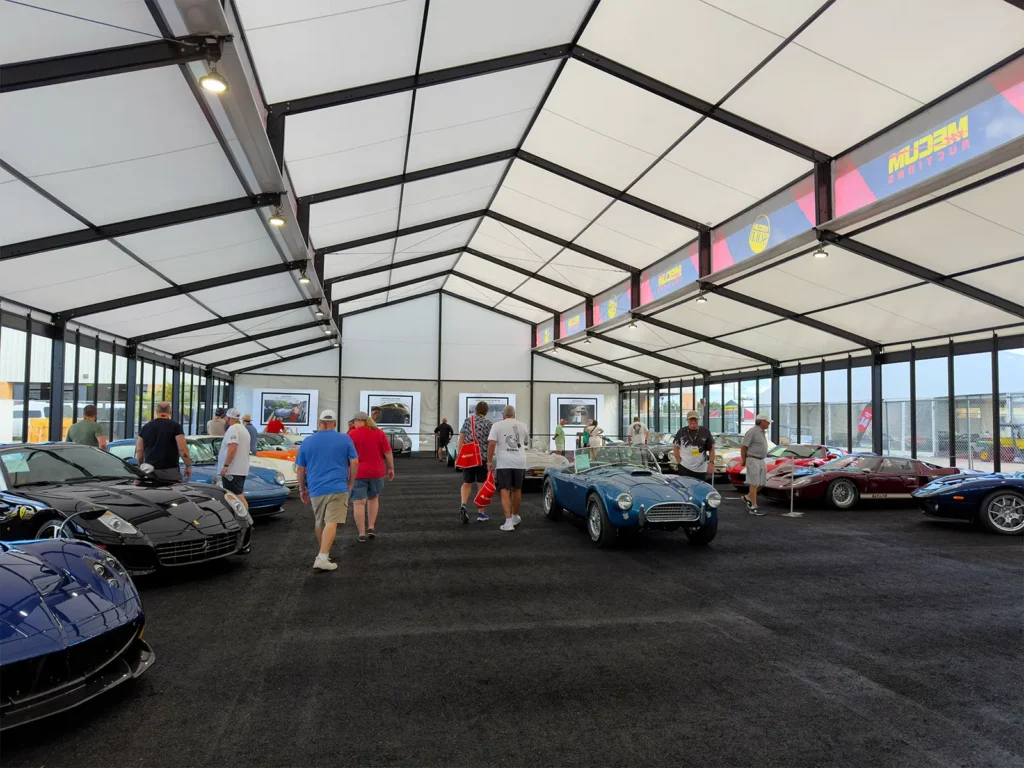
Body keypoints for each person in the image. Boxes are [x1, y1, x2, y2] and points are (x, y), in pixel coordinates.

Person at [295, 410, 358, 571]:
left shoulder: (308, 441)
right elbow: (354, 462)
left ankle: (324, 553)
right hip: (338, 486)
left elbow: (300, 468)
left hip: (315, 487)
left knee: (319, 522)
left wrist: (302, 489)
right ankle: (322, 557)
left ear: (319, 423)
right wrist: (350, 483)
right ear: (335, 423)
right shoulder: (344, 438)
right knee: (331, 521)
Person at [349, 411, 395, 542]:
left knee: (358, 502)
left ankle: (361, 533)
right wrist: (391, 468)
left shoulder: (351, 435)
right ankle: (371, 527)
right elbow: (388, 452)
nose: (354, 424)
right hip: (377, 472)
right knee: (373, 499)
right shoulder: (379, 433)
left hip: (358, 473)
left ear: (359, 421)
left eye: (354, 421)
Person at [488, 405, 529, 532]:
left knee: (504, 490)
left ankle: (508, 522)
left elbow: (492, 443)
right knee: (517, 489)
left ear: (503, 415)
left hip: (504, 462)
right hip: (520, 461)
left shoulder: (497, 425)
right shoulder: (523, 425)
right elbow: (526, 442)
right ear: (514, 414)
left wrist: (489, 461)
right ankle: (515, 516)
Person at [136, 401, 190, 483]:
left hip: (149, 471)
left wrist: (140, 465)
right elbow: (182, 449)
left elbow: (139, 450)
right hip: (170, 472)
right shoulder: (175, 426)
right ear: (170, 412)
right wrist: (188, 466)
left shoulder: (146, 427)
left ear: (156, 412)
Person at [456, 401, 492, 524]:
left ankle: (463, 505)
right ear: (486, 411)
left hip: (469, 457)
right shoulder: (489, 424)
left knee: (466, 483)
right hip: (482, 458)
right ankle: (481, 513)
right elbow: (491, 443)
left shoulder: (468, 421)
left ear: (476, 410)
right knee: (481, 485)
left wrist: (460, 455)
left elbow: (461, 439)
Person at [216, 408, 251, 507]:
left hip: (232, 470)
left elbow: (233, 447)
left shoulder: (233, 429)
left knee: (236, 496)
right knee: (236, 496)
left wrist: (226, 465)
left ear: (227, 418)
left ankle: (245, 516)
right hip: (240, 469)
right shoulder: (243, 429)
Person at [741, 413, 772, 516]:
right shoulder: (752, 431)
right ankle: (753, 506)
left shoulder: (762, 432)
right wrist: (744, 459)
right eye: (767, 422)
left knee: (762, 483)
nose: (769, 424)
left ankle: (748, 497)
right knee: (754, 483)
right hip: (753, 459)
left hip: (761, 460)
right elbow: (744, 447)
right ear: (762, 421)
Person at [672, 410, 715, 481]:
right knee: (685, 486)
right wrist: (678, 460)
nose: (693, 421)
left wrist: (711, 464)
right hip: (685, 467)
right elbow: (676, 447)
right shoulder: (681, 432)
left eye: (695, 419)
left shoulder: (705, 432)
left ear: (698, 420)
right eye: (691, 419)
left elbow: (712, 448)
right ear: (687, 420)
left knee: (700, 487)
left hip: (701, 469)